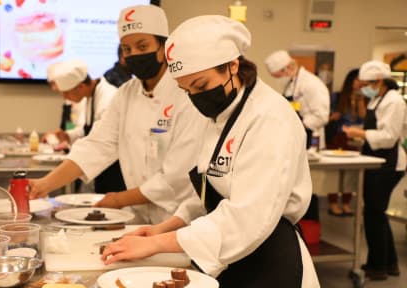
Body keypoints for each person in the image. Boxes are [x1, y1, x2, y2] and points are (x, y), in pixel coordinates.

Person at [101, 16, 320, 287]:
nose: (196, 97)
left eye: (201, 86)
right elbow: (209, 190)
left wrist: (157, 244)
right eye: (186, 90)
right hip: (235, 260)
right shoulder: (220, 115)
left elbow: (246, 218)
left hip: (271, 260)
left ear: (232, 65)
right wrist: (165, 227)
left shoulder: (269, 118)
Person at [29, 5, 205, 225]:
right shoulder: (126, 94)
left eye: (142, 46)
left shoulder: (186, 92)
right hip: (139, 217)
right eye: (127, 49)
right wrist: (43, 185)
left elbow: (177, 176)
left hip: (181, 220)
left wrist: (120, 198)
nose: (133, 55)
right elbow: (97, 145)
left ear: (163, 47)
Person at [343, 60, 406, 280]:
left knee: (374, 215)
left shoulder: (394, 101)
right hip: (375, 160)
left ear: (380, 81)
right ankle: (389, 263)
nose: (364, 88)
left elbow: (388, 138)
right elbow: (376, 129)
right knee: (376, 214)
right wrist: (360, 133)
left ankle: (377, 267)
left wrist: (360, 134)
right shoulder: (378, 99)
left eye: (367, 83)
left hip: (388, 164)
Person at [45, 59, 126, 194]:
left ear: (80, 86)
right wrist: (68, 136)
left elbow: (101, 142)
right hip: (103, 169)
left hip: (115, 170)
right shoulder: (91, 95)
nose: (64, 97)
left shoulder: (107, 99)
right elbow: (87, 129)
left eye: (66, 93)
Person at [265, 50, 330, 149]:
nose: (277, 80)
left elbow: (321, 116)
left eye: (278, 76)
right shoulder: (290, 84)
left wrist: (297, 126)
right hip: (294, 140)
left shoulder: (311, 83)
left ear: (288, 68)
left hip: (310, 140)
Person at [325, 68, 366, 216]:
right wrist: (333, 117)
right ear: (351, 81)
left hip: (354, 140)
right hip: (338, 138)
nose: (360, 83)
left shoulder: (365, 99)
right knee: (334, 173)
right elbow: (327, 117)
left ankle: (347, 203)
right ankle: (333, 202)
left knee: (351, 174)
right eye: (357, 80)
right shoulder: (337, 97)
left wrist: (360, 101)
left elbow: (363, 119)